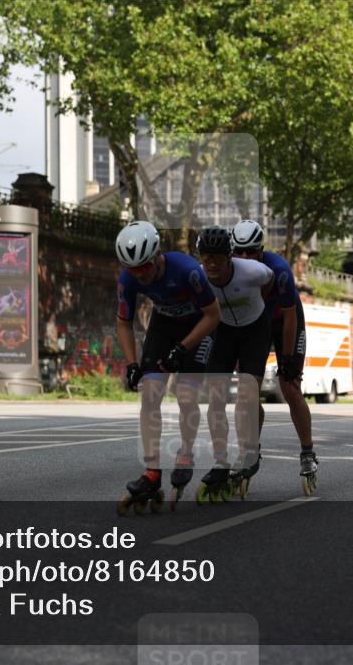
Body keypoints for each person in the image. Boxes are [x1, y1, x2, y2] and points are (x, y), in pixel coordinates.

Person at [114, 221, 221, 514]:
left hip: (199, 327)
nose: (140, 276)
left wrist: (183, 348)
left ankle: (185, 454)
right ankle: (151, 472)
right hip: (164, 326)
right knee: (149, 394)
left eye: (144, 268)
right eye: (133, 270)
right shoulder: (129, 278)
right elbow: (124, 322)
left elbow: (213, 315)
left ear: (157, 256)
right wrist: (132, 363)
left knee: (186, 395)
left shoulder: (188, 270)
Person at [231, 219, 317, 494]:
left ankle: (307, 452)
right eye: (239, 252)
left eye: (251, 252)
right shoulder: (228, 271)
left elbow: (291, 316)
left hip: (285, 321)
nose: (245, 258)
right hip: (255, 323)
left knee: (290, 387)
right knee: (247, 391)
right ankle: (249, 450)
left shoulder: (278, 269)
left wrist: (289, 360)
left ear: (261, 250)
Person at [196, 226, 274, 501]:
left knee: (247, 393)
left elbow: (270, 280)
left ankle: (249, 450)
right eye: (206, 258)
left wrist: (258, 306)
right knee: (215, 397)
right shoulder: (199, 278)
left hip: (256, 330)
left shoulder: (252, 271)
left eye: (218, 257)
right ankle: (220, 462)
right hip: (225, 331)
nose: (212, 264)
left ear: (230, 257)